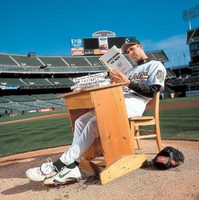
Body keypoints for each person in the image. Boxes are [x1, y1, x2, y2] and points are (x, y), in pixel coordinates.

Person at [26, 38, 166, 186]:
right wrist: (114, 81)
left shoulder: (155, 65)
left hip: (134, 104)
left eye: (132, 49)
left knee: (94, 122)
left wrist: (127, 82)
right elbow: (121, 87)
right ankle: (73, 167)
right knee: (81, 121)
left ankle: (58, 165)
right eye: (127, 52)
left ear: (140, 46)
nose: (130, 53)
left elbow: (153, 91)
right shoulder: (130, 71)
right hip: (116, 100)